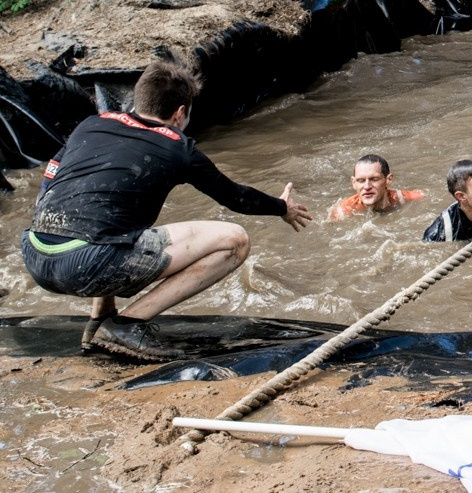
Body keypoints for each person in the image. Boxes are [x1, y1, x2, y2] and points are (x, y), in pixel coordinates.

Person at [19, 59, 310, 361]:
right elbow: (236, 198)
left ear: (138, 98)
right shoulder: (178, 147)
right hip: (90, 264)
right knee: (235, 240)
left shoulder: (92, 124)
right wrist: (281, 207)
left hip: (35, 253)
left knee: (107, 212)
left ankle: (100, 319)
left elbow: (51, 179)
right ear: (180, 113)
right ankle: (128, 324)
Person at [328, 154, 426, 221]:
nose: (367, 187)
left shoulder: (406, 198)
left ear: (388, 180)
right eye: (361, 180)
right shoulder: (344, 212)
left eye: (374, 179)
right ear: (353, 183)